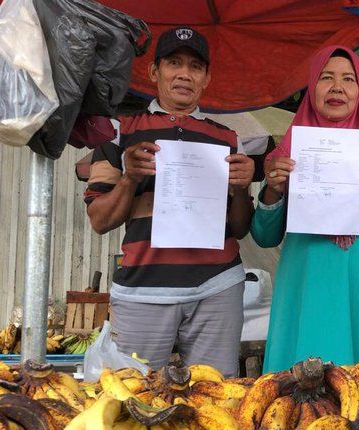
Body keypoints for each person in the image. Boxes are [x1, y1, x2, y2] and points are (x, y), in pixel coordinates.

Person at [84, 27, 255, 376]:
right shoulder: (118, 131)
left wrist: (241, 188)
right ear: (154, 72)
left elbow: (239, 227)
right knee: (133, 400)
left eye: (195, 66)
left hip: (218, 286)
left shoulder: (227, 138)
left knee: (214, 399)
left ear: (206, 78)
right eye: (173, 63)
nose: (184, 74)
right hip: (143, 290)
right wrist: (130, 178)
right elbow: (100, 220)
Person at [251, 45, 359, 372]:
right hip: (306, 283)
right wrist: (273, 189)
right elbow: (263, 235)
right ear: (311, 87)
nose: (337, 87)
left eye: (348, 79)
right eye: (326, 78)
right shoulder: (287, 153)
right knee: (303, 393)